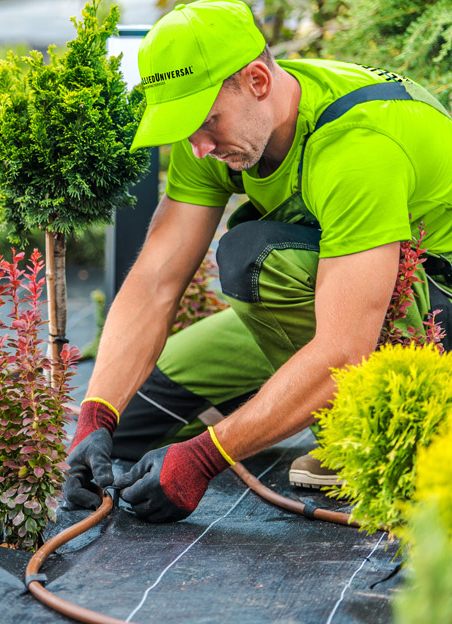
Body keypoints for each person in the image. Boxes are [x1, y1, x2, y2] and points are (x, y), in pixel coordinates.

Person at [63, 0, 452, 522]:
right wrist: (95, 418)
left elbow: (344, 345)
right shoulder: (221, 134)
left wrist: (206, 458)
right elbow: (157, 279)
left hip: (428, 309)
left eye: (206, 122)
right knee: (130, 423)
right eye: (184, 128)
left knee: (254, 257)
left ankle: (359, 439)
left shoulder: (356, 145)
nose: (198, 146)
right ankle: (274, 401)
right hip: (338, 293)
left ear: (257, 81)